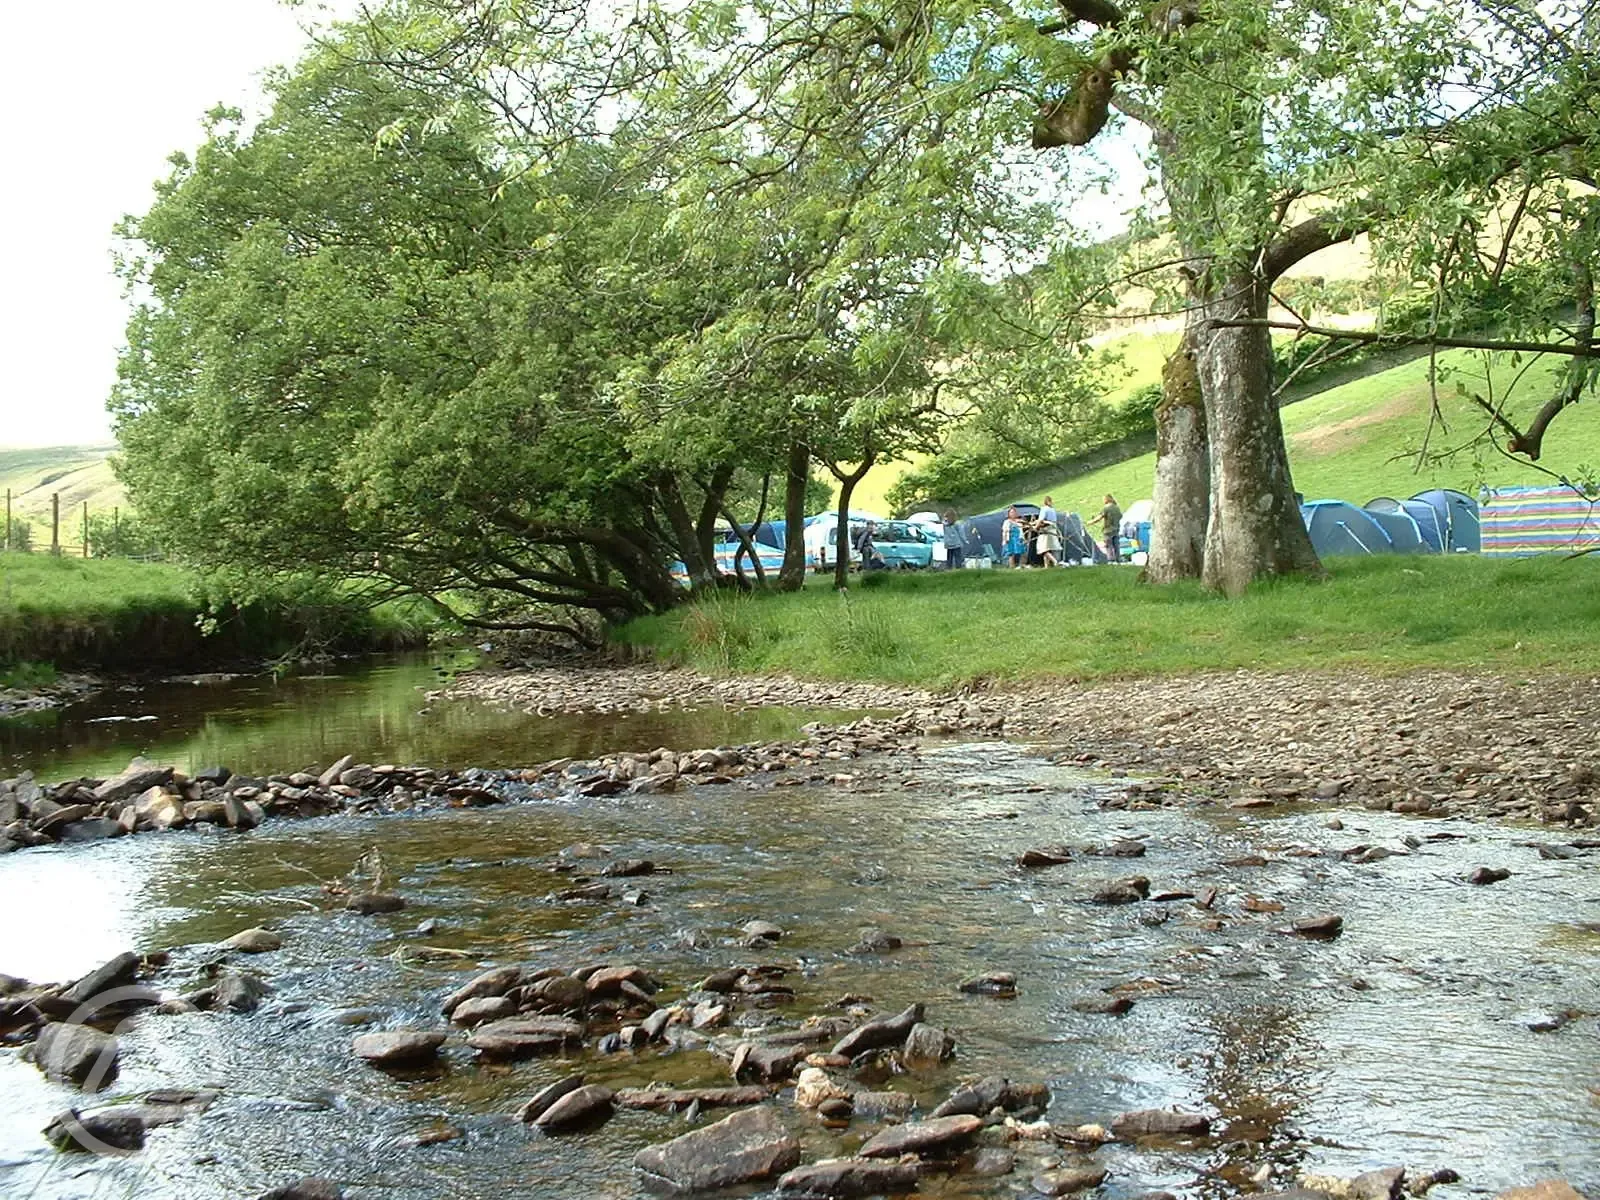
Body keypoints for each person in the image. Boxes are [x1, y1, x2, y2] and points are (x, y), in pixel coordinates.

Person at [1100, 494, 1123, 562]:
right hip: (1116, 530)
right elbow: (1120, 516)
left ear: (1106, 499)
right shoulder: (1116, 507)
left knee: (1108, 546)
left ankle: (1111, 560)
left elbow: (1100, 517)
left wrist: (1090, 522)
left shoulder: (1106, 508)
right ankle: (1118, 559)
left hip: (1108, 531)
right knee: (1116, 546)